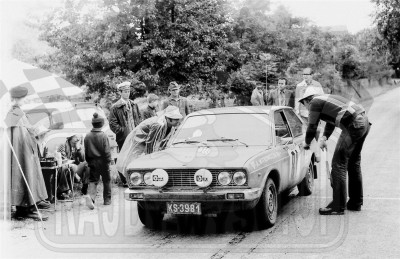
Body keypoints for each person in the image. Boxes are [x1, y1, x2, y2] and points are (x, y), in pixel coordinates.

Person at [299, 87, 371, 215]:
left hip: (353, 125)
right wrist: (325, 137)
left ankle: (338, 206)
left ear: (307, 100)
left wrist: (307, 143)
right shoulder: (325, 100)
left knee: (338, 164)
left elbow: (312, 126)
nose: (305, 107)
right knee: (353, 163)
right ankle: (355, 203)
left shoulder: (314, 102)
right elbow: (332, 121)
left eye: (303, 103)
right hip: (363, 122)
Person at [5, 85, 49, 220]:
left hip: (24, 151)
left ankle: (23, 209)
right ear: (17, 99)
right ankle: (26, 209)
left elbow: (26, 130)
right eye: (23, 98)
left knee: (24, 177)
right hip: (23, 153)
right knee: (26, 176)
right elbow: (21, 136)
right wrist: (36, 133)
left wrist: (36, 132)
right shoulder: (14, 114)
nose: (25, 101)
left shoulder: (17, 113)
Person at [116, 106, 182, 176]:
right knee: (136, 161)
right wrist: (151, 161)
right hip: (139, 141)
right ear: (168, 119)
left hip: (147, 140)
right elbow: (151, 143)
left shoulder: (170, 125)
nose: (178, 121)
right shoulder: (158, 125)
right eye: (176, 119)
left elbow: (163, 141)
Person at [109, 81, 142, 185]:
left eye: (128, 91)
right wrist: (123, 131)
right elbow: (112, 124)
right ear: (120, 92)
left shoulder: (134, 104)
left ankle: (136, 179)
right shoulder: (115, 107)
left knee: (136, 156)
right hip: (123, 137)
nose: (127, 93)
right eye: (125, 91)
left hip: (136, 136)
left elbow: (139, 119)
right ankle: (124, 180)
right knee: (124, 158)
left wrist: (139, 129)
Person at [84, 113, 113, 209]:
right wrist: (109, 161)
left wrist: (89, 162)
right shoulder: (103, 136)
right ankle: (107, 200)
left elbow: (86, 151)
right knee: (107, 180)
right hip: (103, 162)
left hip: (92, 162)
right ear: (102, 124)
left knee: (93, 181)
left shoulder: (87, 136)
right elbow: (107, 151)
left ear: (93, 124)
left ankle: (91, 199)